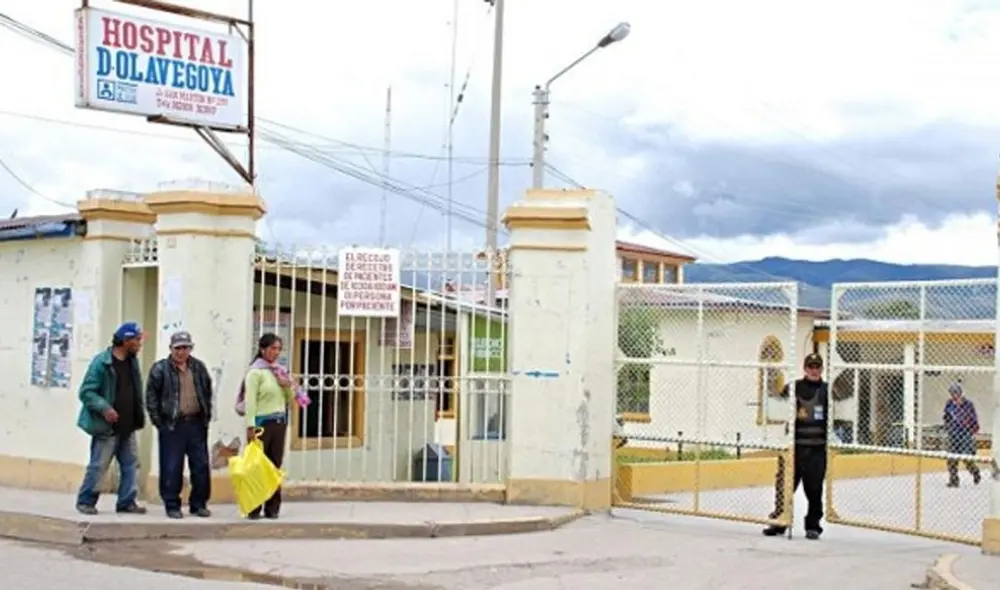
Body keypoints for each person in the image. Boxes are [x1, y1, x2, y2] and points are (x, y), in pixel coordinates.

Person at [75, 322, 147, 515]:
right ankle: (86, 500)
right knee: (99, 465)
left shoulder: (132, 362)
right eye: (137, 340)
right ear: (125, 341)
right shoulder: (102, 363)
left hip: (128, 424)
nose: (140, 344)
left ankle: (126, 501)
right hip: (107, 426)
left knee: (131, 463)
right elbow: (86, 392)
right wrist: (105, 407)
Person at [145, 331, 215, 519]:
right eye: (178, 348)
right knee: (171, 467)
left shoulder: (199, 367)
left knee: (200, 466)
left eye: (185, 347)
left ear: (190, 349)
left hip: (196, 424)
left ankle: (198, 504)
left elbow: (207, 391)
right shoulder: (160, 369)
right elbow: (151, 398)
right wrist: (159, 423)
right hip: (172, 425)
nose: (182, 352)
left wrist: (205, 417)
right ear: (171, 349)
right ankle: (172, 504)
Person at [763, 352, 829, 540]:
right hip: (793, 448)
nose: (814, 370)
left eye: (817, 367)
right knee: (784, 486)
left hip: (816, 448)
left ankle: (813, 526)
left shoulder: (826, 391)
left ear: (822, 369)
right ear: (805, 368)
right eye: (811, 367)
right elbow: (778, 404)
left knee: (814, 489)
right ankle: (780, 521)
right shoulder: (793, 388)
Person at [243, 333, 296, 520]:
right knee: (258, 467)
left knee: (274, 466)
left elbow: (290, 399)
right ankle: (254, 507)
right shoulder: (255, 372)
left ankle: (272, 507)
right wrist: (250, 426)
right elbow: (250, 402)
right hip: (261, 423)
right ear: (263, 349)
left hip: (279, 422)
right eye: (272, 348)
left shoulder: (280, 371)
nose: (276, 352)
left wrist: (286, 385)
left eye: (278, 349)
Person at [943, 382, 981, 488]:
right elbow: (946, 416)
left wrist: (969, 426)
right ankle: (954, 480)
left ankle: (975, 472)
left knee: (966, 458)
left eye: (956, 393)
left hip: (965, 434)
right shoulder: (949, 403)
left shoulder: (968, 404)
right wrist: (948, 426)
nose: (954, 395)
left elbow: (974, 419)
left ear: (960, 393)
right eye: (952, 393)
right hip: (953, 433)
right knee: (951, 458)